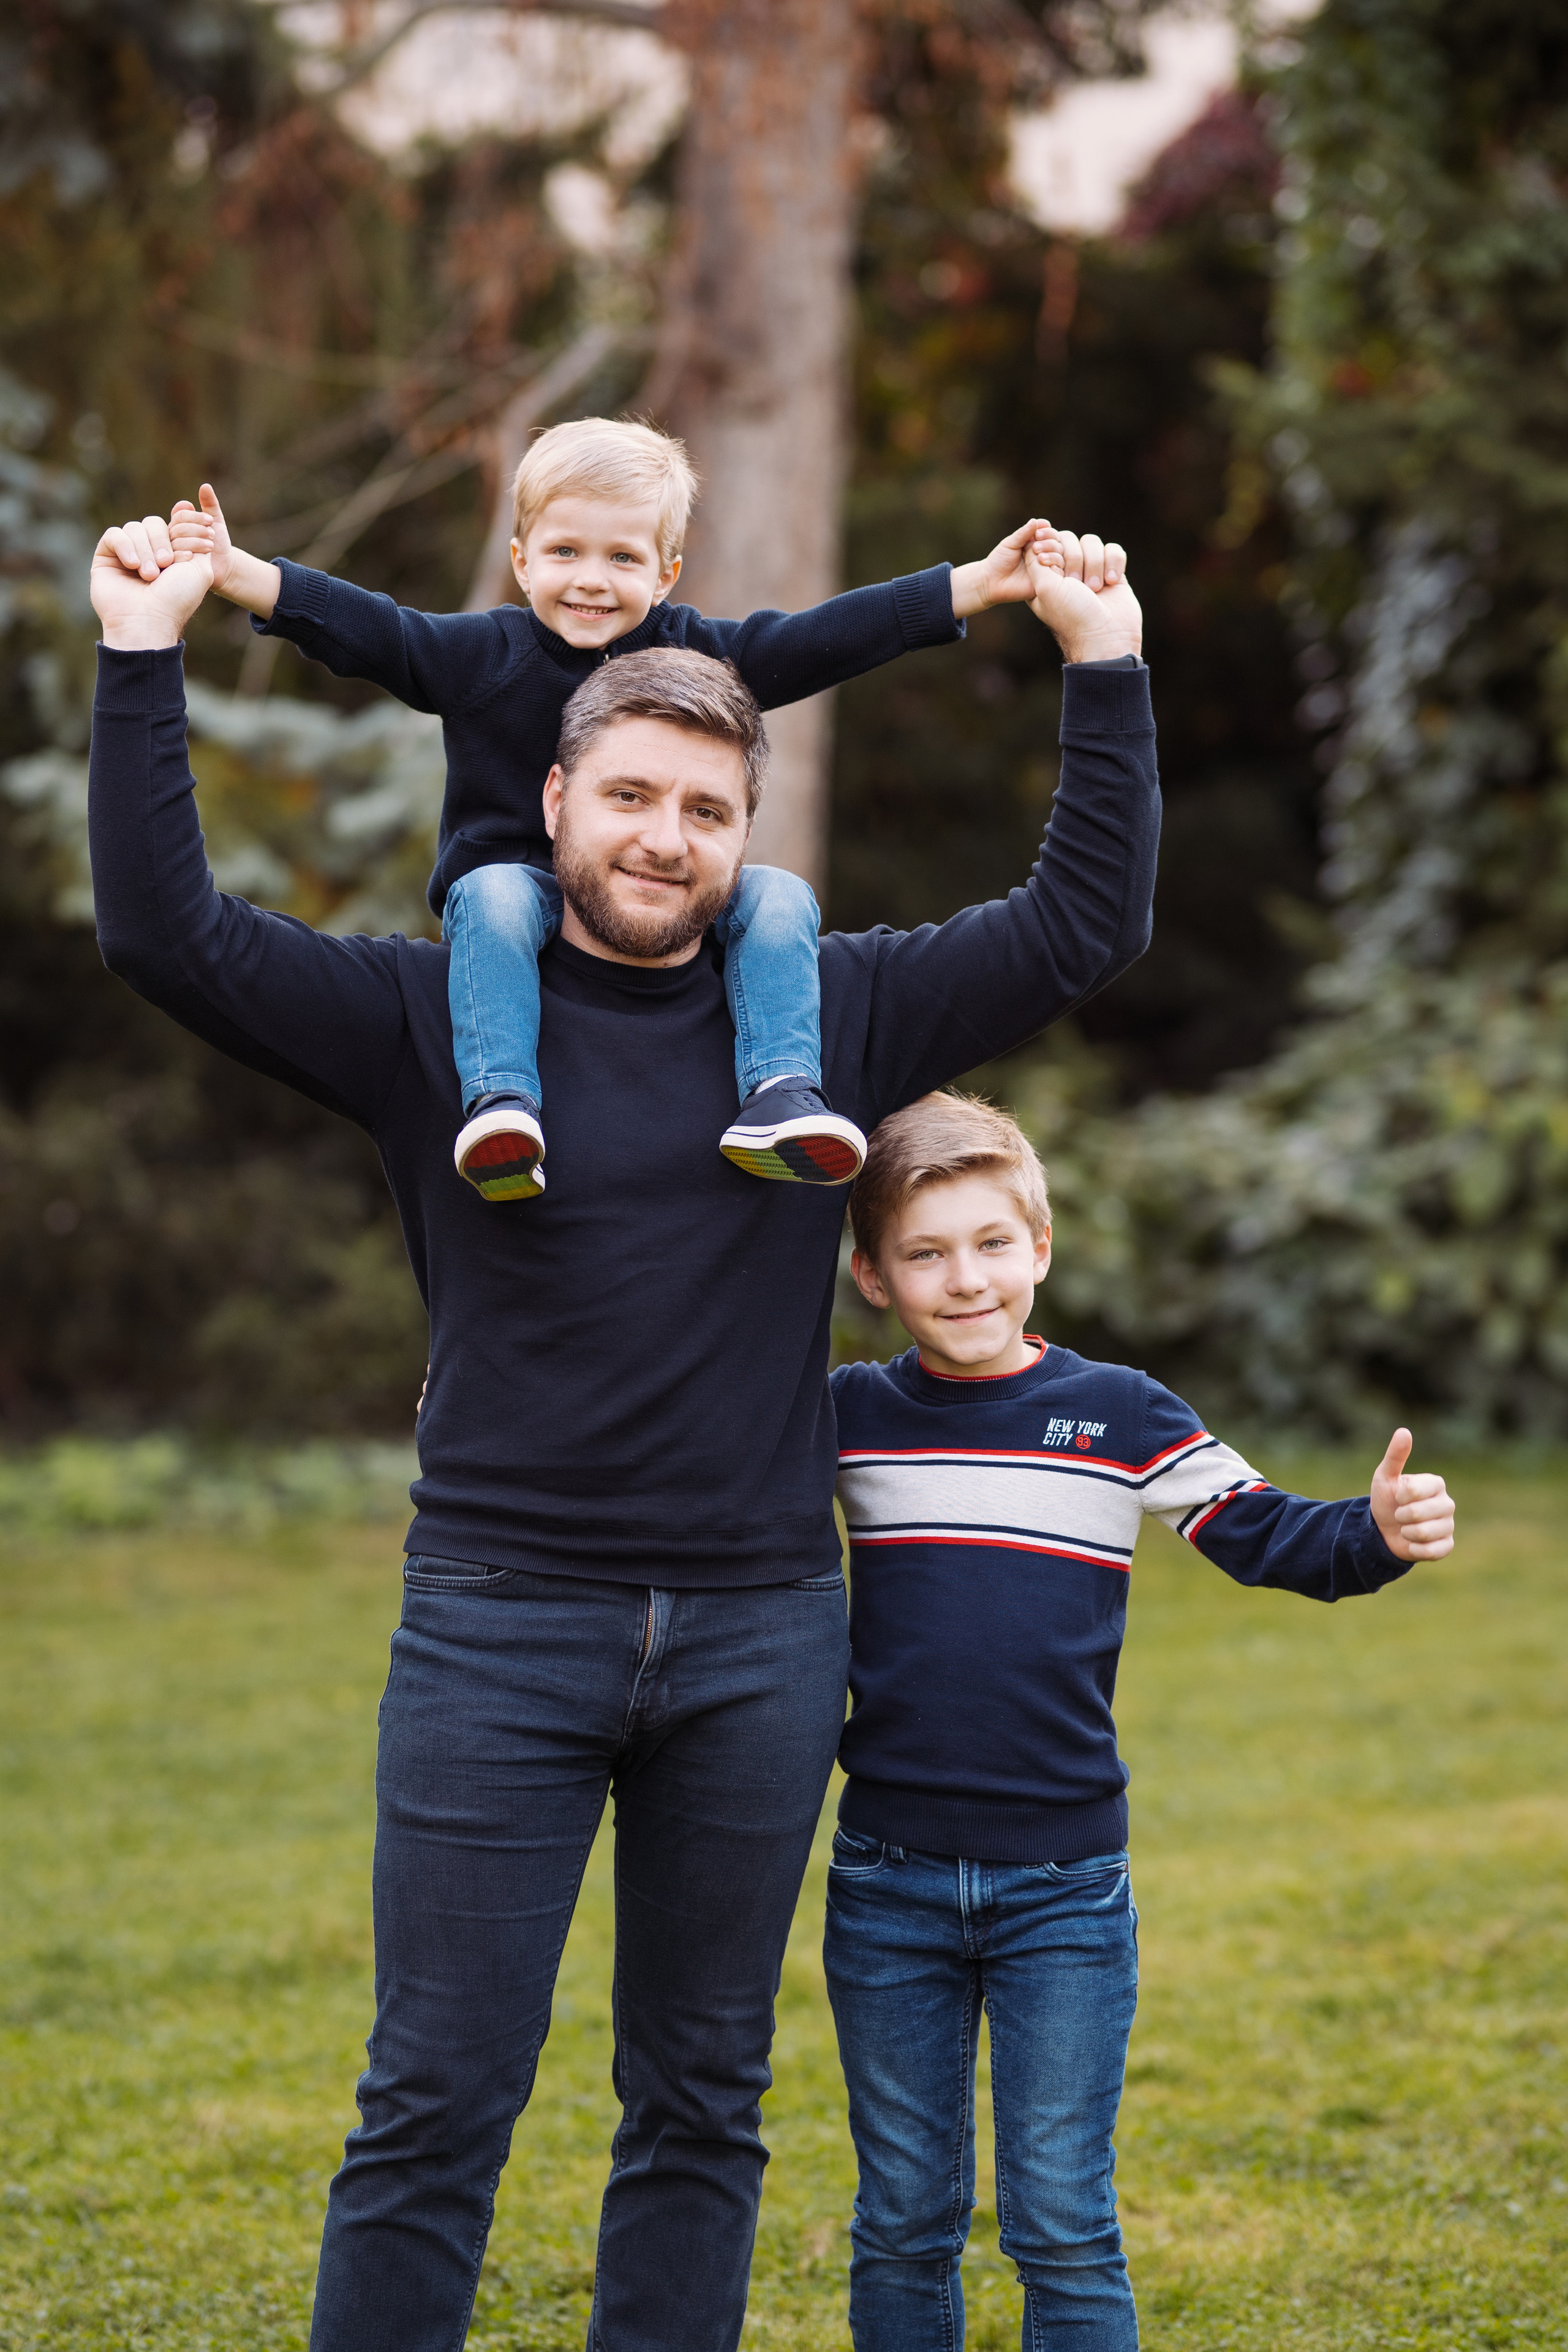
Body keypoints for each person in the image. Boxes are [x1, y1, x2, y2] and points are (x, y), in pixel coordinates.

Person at [85, 508, 1154, 2352]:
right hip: (499, 1624)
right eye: (634, 797)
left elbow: (1085, 918)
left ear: (746, 841)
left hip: (757, 1633)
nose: (667, 838)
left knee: (701, 2105)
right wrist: (138, 652)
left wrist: (1108, 662)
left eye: (708, 812)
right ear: (557, 801)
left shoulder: (834, 1018)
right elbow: (167, 933)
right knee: (432, 2105)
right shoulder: (430, 1016)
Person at [826, 1091, 1457, 2350]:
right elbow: (682, 1464)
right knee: (902, 2215)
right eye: (924, 1253)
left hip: (1063, 1887)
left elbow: (1269, 1533)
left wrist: (1372, 1535)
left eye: (991, 1244)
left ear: (1040, 1249)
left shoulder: (1117, 1413)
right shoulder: (846, 1416)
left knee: (1060, 2217)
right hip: (883, 1880)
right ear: (870, 1276)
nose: (964, 1280)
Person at [137, 417, 1066, 1199]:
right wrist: (242, 573)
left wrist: (970, 587)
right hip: (519, 887)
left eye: (622, 557)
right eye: (565, 552)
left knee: (780, 896)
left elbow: (821, 640)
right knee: (496, 902)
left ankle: (780, 1091)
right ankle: (502, 1107)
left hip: (657, 893)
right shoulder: (485, 655)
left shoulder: (697, 655)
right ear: (521, 559)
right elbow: (378, 633)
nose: (591, 579)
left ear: (665, 573)